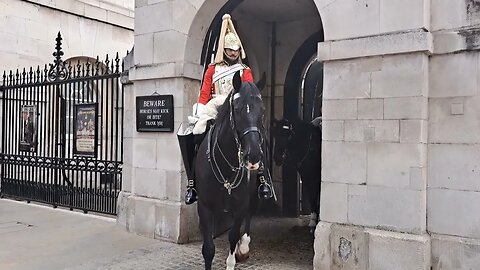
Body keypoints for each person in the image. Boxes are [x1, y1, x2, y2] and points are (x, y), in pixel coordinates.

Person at [183, 14, 273, 205]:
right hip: (215, 105)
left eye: (236, 50)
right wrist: (200, 110)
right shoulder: (212, 69)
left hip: (237, 105)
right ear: (224, 50)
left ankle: (262, 179)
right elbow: (205, 92)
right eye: (230, 50)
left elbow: (249, 91)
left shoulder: (244, 69)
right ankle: (192, 183)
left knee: (256, 133)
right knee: (196, 130)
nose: (233, 53)